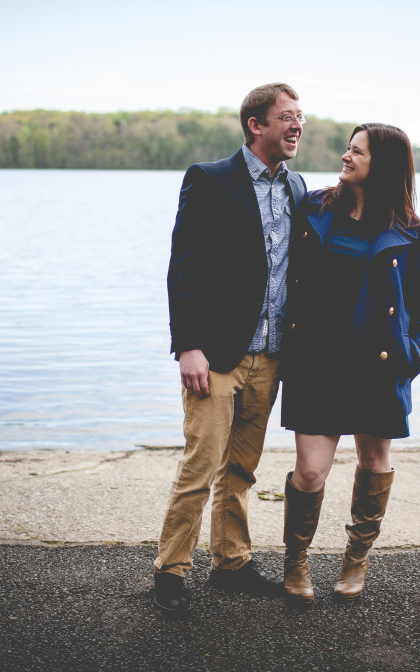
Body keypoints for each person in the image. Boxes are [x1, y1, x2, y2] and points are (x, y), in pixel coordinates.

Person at [153, 83, 309, 614]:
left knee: (241, 470)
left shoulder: (298, 187)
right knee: (201, 466)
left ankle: (232, 562)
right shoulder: (210, 179)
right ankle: (171, 573)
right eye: (287, 117)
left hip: (270, 354)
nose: (297, 126)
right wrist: (187, 346)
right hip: (217, 354)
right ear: (255, 125)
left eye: (301, 117)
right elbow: (184, 266)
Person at [279, 123, 420, 605]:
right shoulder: (316, 208)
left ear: (382, 164)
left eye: (358, 151)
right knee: (309, 472)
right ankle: (296, 561)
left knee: (373, 461)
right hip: (316, 364)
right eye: (348, 148)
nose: (346, 157)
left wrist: (411, 356)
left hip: (376, 367)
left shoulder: (412, 232)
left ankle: (356, 559)